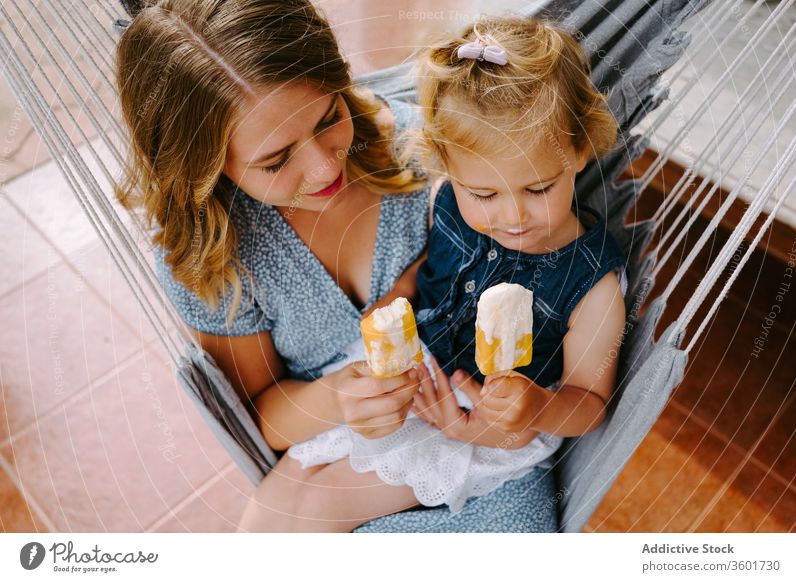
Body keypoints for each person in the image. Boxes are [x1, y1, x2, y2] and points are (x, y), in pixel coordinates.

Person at [114, 0, 560, 533]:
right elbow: (261, 417)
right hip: (343, 450)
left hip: (481, 441)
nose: (326, 165)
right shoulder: (217, 260)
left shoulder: (424, 148)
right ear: (203, 169)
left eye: (329, 118)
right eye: (276, 160)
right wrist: (338, 399)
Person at [265, 15, 629, 531]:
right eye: (484, 194)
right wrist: (393, 302)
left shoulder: (593, 285)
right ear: (445, 168)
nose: (513, 216)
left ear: (580, 150)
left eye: (538, 188)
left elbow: (589, 403)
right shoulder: (448, 204)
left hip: (477, 423)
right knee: (282, 488)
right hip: (411, 373)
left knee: (317, 508)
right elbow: (422, 273)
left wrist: (538, 407)